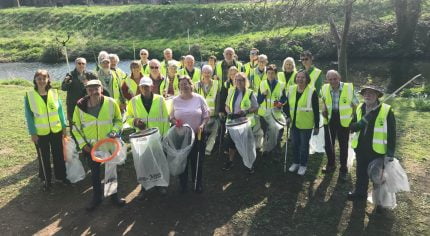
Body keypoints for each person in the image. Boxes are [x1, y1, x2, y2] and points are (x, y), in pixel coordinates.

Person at [72, 79, 125, 211]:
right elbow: (76, 128)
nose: (94, 91)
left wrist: (114, 131)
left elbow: (118, 120)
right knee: (95, 174)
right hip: (91, 147)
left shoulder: (111, 102)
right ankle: (97, 197)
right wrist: (83, 145)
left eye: (96, 88)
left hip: (109, 145)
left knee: (111, 171)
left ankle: (113, 196)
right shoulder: (80, 106)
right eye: (90, 89)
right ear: (87, 90)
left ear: (101, 88)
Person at [347, 84, 396, 203]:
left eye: (372, 93)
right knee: (361, 173)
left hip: (377, 151)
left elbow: (391, 133)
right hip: (361, 148)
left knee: (377, 177)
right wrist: (359, 124)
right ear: (363, 95)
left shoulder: (386, 110)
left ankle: (379, 201)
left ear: (377, 96)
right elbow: (352, 126)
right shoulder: (359, 107)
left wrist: (390, 153)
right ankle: (360, 193)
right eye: (366, 93)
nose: (368, 95)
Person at [125, 77, 170, 196]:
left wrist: (164, 136)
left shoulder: (160, 100)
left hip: (157, 138)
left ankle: (160, 184)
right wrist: (134, 122)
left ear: (152, 87)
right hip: (142, 138)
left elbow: (166, 119)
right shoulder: (133, 101)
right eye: (142, 87)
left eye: (147, 86)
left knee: (159, 161)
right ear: (139, 88)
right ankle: (145, 186)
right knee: (144, 163)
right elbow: (127, 118)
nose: (145, 89)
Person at [25, 69, 68, 189]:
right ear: (35, 80)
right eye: (39, 78)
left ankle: (61, 177)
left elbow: (60, 111)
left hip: (56, 130)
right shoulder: (30, 95)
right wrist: (33, 133)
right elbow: (28, 116)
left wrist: (64, 126)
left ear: (48, 79)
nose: (42, 81)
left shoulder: (54, 93)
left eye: (44, 78)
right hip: (40, 133)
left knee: (58, 155)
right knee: (43, 157)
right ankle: (46, 180)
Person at [170, 76, 210, 193]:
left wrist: (202, 125)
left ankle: (197, 183)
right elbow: (171, 117)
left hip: (198, 134)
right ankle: (183, 184)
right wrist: (175, 123)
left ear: (191, 85)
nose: (184, 86)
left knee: (197, 160)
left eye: (186, 84)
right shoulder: (175, 100)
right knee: (183, 160)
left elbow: (206, 115)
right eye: (182, 84)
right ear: (179, 87)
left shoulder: (199, 98)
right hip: (181, 136)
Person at [321, 70, 359, 178]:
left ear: (340, 78)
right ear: (327, 80)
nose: (333, 81)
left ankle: (343, 168)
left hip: (344, 120)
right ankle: (331, 164)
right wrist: (323, 106)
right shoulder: (324, 88)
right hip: (329, 118)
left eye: (335, 78)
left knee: (343, 145)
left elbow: (356, 103)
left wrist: (353, 117)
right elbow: (322, 99)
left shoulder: (348, 88)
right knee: (328, 144)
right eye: (330, 79)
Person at [285, 70, 320, 176]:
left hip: (306, 124)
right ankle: (296, 162)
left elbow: (316, 109)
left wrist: (317, 125)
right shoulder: (291, 89)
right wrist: (287, 116)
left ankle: (303, 165)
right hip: (294, 123)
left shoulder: (312, 92)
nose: (300, 79)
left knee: (304, 146)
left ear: (307, 79)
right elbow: (286, 106)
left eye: (303, 77)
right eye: (298, 77)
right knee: (294, 144)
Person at [223, 72, 259, 173]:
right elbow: (226, 105)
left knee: (246, 144)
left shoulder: (250, 93)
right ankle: (230, 161)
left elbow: (256, 106)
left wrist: (245, 111)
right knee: (231, 143)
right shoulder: (231, 91)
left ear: (245, 81)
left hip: (245, 123)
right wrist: (229, 112)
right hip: (232, 122)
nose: (238, 82)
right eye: (236, 80)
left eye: (241, 80)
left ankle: (249, 164)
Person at [257, 64, 287, 156]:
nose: (270, 75)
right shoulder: (262, 84)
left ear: (275, 74)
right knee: (266, 132)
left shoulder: (281, 85)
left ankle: (274, 150)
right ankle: (266, 149)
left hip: (275, 113)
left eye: (272, 73)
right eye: (268, 73)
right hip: (263, 113)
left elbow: (284, 98)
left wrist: (280, 103)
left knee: (275, 131)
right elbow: (258, 100)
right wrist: (263, 95)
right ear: (266, 74)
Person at [195, 65, 219, 155]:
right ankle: (199, 147)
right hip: (200, 115)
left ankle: (208, 149)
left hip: (213, 114)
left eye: (209, 72)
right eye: (205, 72)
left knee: (215, 130)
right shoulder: (196, 84)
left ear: (212, 74)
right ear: (202, 73)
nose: (207, 74)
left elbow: (218, 99)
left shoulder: (216, 84)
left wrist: (217, 113)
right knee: (200, 132)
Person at [216, 48, 243, 117]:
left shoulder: (240, 65)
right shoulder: (218, 65)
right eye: (226, 54)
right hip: (223, 90)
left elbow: (244, 77)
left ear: (234, 55)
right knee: (225, 114)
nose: (228, 55)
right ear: (223, 55)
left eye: (230, 54)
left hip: (238, 91)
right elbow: (214, 76)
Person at [61, 57, 90, 121]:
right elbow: (63, 88)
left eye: (83, 63)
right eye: (79, 63)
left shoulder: (88, 75)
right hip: (73, 104)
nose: (81, 65)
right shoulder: (70, 75)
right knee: (73, 123)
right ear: (76, 64)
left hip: (85, 103)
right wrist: (67, 82)